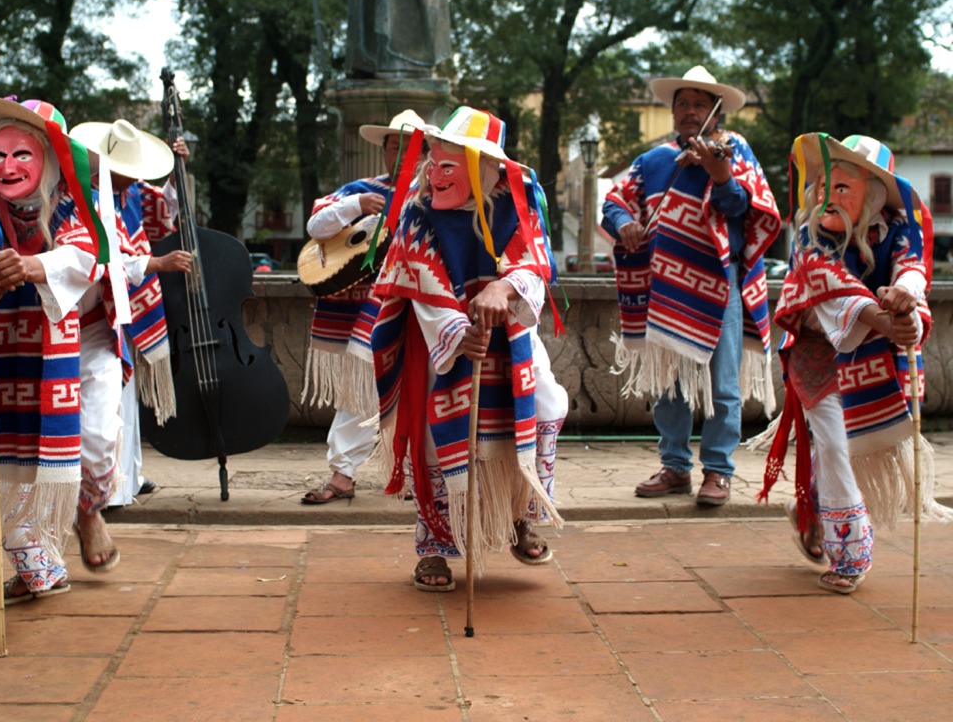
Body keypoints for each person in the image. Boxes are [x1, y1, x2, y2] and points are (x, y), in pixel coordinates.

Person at [370, 106, 567, 592]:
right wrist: (459, 332)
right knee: (436, 434)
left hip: (513, 334)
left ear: (485, 165)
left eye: (447, 165)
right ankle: (434, 546)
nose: (434, 175)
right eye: (432, 163)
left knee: (544, 401)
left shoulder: (519, 197)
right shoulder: (417, 211)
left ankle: (523, 515)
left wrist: (504, 290)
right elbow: (416, 278)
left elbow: (537, 260)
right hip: (439, 335)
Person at [758, 133, 953, 594]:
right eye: (823, 183)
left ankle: (813, 511)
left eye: (842, 187)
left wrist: (907, 299)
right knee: (832, 440)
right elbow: (832, 283)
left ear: (876, 195)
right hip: (816, 347)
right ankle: (850, 550)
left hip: (874, 352)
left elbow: (913, 267)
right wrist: (883, 319)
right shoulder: (809, 233)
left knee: (849, 440)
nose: (827, 195)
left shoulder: (903, 227)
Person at [0, 97, 98, 604]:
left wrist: (32, 267)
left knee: (43, 468)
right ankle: (40, 570)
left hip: (51, 355)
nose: (8, 166)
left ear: (46, 159)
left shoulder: (69, 203)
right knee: (4, 470)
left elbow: (83, 255)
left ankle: (44, 564)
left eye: (22, 154)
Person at [600, 65, 781, 506]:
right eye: (682, 103)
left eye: (699, 104)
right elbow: (614, 201)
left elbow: (747, 209)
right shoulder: (655, 161)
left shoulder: (735, 150)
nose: (689, 111)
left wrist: (721, 174)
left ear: (716, 112)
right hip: (666, 284)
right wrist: (625, 223)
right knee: (670, 383)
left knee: (723, 385)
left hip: (722, 282)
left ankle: (718, 472)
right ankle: (675, 467)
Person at [64, 119, 191, 571]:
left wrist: (176, 170)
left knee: (108, 424)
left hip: (110, 319)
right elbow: (94, 258)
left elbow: (165, 214)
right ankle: (74, 520)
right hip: (53, 326)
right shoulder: (67, 197)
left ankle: (113, 489)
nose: (133, 177)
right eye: (125, 168)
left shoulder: (131, 194)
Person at [300, 109, 426, 504]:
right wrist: (356, 204)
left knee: (421, 387)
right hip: (371, 308)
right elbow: (316, 229)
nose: (403, 153)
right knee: (362, 386)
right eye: (395, 145)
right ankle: (343, 474)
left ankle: (415, 474)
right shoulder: (362, 188)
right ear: (384, 151)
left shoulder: (440, 195)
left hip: (424, 304)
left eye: (412, 147)